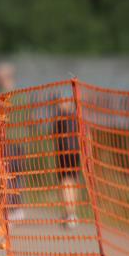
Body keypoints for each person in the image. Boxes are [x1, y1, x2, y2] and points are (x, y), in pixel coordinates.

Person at [0, 62, 25, 221]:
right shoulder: (4, 96)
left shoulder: (12, 97)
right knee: (11, 176)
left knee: (11, 176)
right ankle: (14, 208)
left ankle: (13, 209)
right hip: (10, 142)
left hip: (13, 142)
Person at [54, 96, 81, 229]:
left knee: (66, 182)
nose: (59, 105)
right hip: (74, 153)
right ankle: (71, 213)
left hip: (67, 153)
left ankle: (70, 213)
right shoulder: (77, 116)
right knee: (72, 182)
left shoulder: (63, 118)